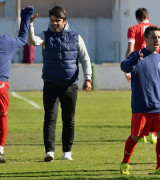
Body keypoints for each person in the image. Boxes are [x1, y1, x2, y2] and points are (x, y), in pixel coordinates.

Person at [28, 6, 93, 162]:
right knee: (50, 119)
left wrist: (88, 78)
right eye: (52, 20)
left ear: (64, 21)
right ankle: (49, 151)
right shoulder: (45, 36)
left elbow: (85, 58)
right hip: (50, 84)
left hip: (70, 85)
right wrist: (29, 25)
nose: (54, 23)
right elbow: (32, 41)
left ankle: (67, 152)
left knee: (69, 120)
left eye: (57, 21)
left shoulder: (76, 37)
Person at [120, 26, 160, 176]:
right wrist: (133, 59)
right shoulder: (137, 55)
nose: (157, 40)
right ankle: (124, 163)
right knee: (136, 136)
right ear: (145, 40)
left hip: (158, 107)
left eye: (159, 37)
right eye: (153, 37)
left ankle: (159, 167)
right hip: (141, 106)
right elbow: (124, 66)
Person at [124, 8, 160, 144]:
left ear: (137, 18)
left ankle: (144, 132)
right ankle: (151, 132)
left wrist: (128, 69)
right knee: (155, 96)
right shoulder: (159, 29)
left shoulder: (133, 29)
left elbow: (130, 49)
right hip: (158, 66)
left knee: (143, 96)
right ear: (148, 16)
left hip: (139, 67)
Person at [0, 6, 34, 163]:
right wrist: (26, 16)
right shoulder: (6, 40)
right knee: (2, 116)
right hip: (1, 85)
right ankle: (0, 150)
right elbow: (22, 39)